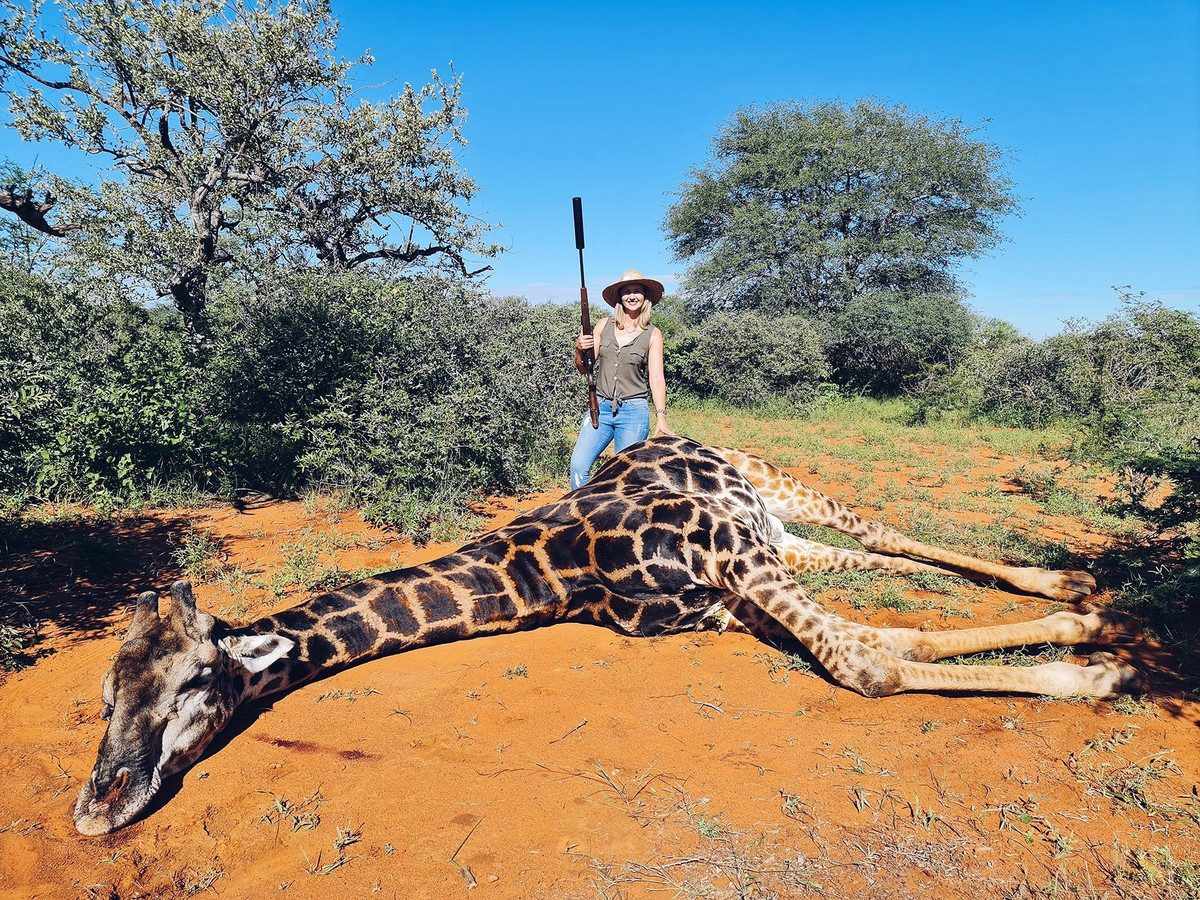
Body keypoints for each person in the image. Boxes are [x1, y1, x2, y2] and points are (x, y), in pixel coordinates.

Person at [569, 269, 674, 489]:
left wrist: (661, 417)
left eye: (637, 291)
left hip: (634, 412)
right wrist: (579, 349)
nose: (632, 296)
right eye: (627, 291)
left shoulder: (653, 334)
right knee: (579, 466)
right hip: (600, 408)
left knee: (626, 477)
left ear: (645, 297)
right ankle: (583, 510)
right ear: (620, 297)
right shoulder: (603, 325)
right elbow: (584, 368)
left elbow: (656, 377)